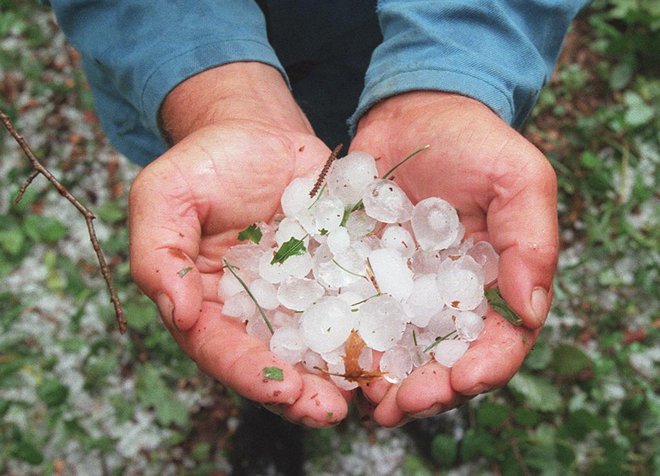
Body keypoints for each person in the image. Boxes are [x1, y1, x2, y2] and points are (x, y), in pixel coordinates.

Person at [48, 1, 590, 427]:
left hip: (399, 50)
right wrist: (213, 90)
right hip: (196, 84)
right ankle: (270, 415)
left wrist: (451, 73)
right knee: (265, 360)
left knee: (433, 379)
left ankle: (421, 390)